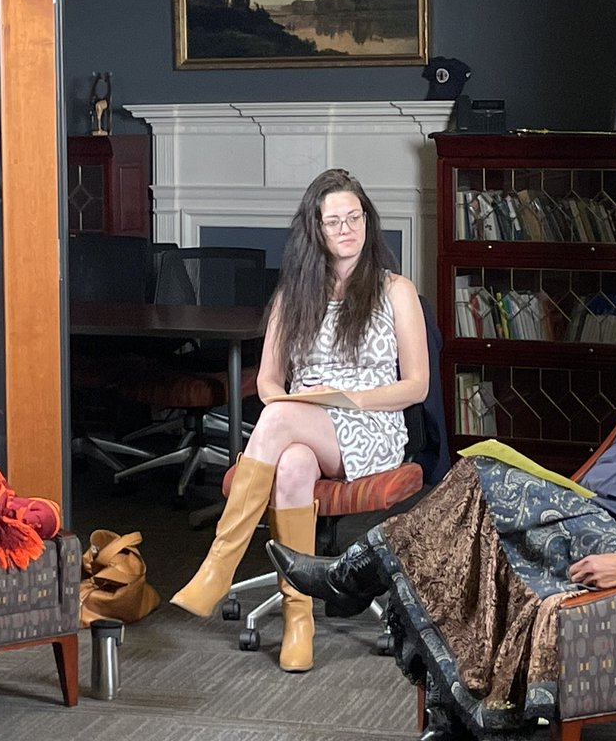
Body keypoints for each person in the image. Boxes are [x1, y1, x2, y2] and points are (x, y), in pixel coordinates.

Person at [267, 287, 616, 741]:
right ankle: (450, 735)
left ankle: (353, 574)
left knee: (483, 471)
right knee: (454, 557)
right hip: (582, 515)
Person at [171, 168, 429, 673]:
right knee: (289, 465)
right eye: (334, 221)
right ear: (316, 230)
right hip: (304, 423)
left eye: (355, 217)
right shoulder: (294, 295)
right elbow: (268, 383)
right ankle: (299, 618)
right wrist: (303, 402)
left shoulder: (395, 290)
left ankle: (219, 565)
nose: (347, 229)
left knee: (279, 419)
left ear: (367, 222)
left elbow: (416, 385)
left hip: (371, 424)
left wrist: (346, 399)